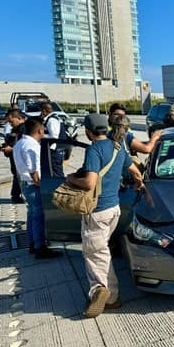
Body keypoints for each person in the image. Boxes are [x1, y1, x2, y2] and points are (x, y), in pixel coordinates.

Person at [66, 114, 143, 318]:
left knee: (94, 254)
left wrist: (71, 178)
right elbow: (136, 172)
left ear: (88, 132)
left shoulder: (94, 149)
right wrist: (139, 185)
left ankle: (105, 294)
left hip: (97, 212)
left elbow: (89, 182)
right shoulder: (117, 147)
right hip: (114, 210)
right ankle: (107, 293)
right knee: (102, 250)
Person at [12, 118, 61, 258]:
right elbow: (35, 173)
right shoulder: (32, 145)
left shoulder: (19, 143)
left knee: (32, 215)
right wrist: (47, 187)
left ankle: (33, 243)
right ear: (40, 130)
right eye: (43, 129)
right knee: (39, 216)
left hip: (25, 184)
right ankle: (40, 248)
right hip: (34, 186)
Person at [1, 109, 26, 203]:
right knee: (16, 175)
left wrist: (11, 149)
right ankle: (15, 196)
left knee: (20, 175)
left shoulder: (25, 129)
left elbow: (25, 146)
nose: (10, 124)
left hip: (21, 160)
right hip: (15, 159)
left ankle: (17, 195)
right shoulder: (16, 129)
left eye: (11, 121)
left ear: (19, 118)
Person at [41, 102, 64, 177]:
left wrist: (41, 136)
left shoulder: (51, 120)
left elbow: (54, 136)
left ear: (44, 111)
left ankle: (59, 186)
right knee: (54, 172)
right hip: (56, 149)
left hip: (55, 151)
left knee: (56, 172)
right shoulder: (54, 118)